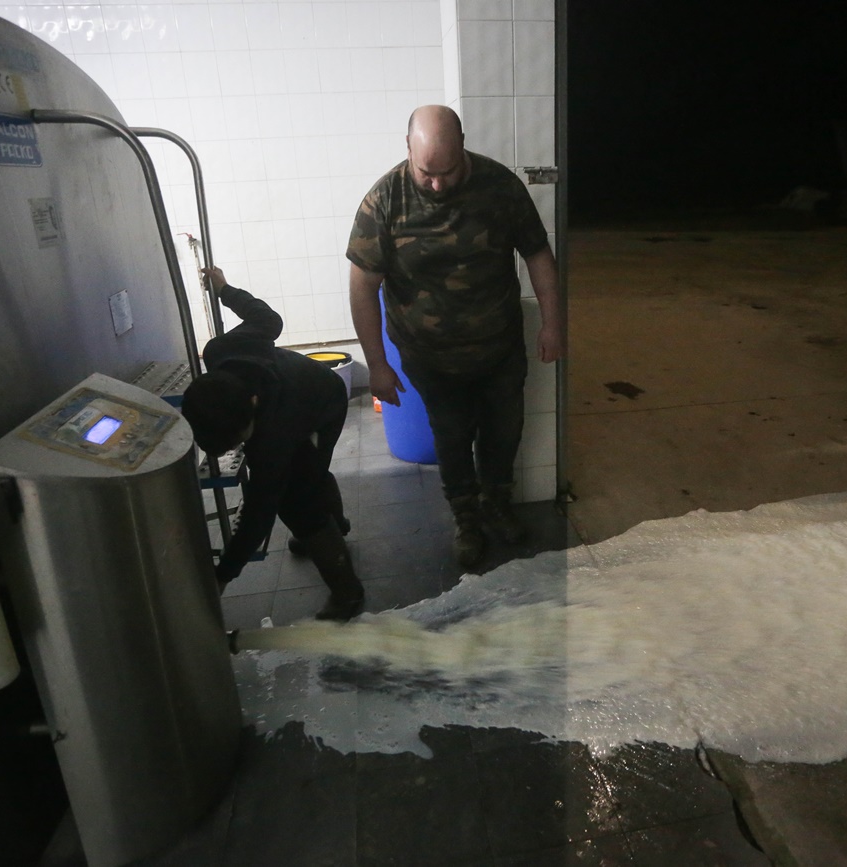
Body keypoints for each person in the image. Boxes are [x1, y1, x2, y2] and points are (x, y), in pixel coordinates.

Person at [346, 104, 565, 568]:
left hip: (499, 346)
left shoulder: (501, 186)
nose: (439, 184)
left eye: (447, 172)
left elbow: (539, 257)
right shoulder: (384, 200)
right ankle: (466, 519)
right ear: (408, 149)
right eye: (428, 173)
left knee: (504, 433)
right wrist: (378, 365)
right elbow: (362, 287)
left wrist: (552, 324)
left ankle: (497, 505)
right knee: (451, 436)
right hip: (430, 357)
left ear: (463, 144)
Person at [180, 267, 363, 621]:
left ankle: (348, 593)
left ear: (251, 405)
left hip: (323, 403)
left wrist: (225, 573)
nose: (239, 449)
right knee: (308, 472)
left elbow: (260, 511)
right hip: (301, 388)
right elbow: (267, 318)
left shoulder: (273, 436)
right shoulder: (221, 350)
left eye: (238, 441)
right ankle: (335, 526)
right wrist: (224, 289)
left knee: (299, 503)